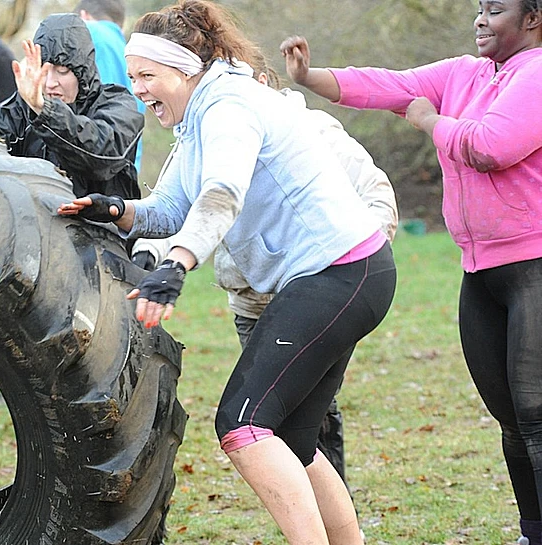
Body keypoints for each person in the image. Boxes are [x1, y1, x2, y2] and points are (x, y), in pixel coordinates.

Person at [58, 1, 397, 542]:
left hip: (341, 273)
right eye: (133, 74)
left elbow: (222, 194)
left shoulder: (229, 106)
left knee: (242, 423)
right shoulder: (198, 116)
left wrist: (176, 265)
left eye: (148, 75)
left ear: (185, 68)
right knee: (293, 439)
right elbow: (172, 206)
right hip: (346, 275)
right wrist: (115, 209)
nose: (138, 87)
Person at [280, 1, 542, 541]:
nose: (480, 20)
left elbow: (493, 146)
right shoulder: (464, 74)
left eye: (495, 10)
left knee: (537, 416)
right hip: (481, 272)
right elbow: (387, 85)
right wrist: (311, 77)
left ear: (533, 18)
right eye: (479, 9)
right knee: (513, 421)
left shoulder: (537, 75)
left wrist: (428, 121)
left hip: (534, 267)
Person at [130, 52, 399, 487]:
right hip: (254, 302)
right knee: (274, 425)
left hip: (322, 292)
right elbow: (181, 206)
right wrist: (148, 254)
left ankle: (335, 515)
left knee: (308, 419)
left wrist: (340, 276)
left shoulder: (309, 130)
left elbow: (374, 193)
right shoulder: (204, 137)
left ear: (261, 81)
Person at [0, 12, 143, 201]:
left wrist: (45, 111)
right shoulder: (24, 106)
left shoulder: (118, 103)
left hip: (101, 225)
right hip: (34, 223)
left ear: (83, 70)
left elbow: (101, 156)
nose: (50, 83)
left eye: (62, 71)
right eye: (44, 70)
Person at [75, 0, 145, 171]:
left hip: (93, 156)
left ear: (83, 16)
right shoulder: (128, 50)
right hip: (127, 163)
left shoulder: (88, 32)